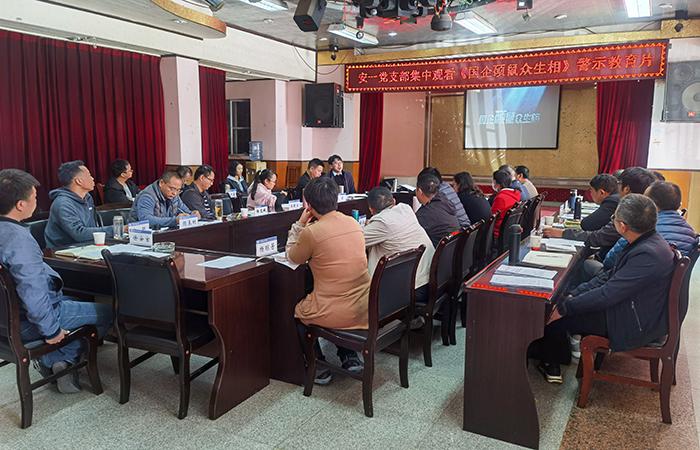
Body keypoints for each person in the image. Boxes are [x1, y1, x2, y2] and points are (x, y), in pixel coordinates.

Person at [535, 194, 675, 383]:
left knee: (556, 316)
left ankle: (551, 365)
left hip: (633, 323)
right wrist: (573, 295)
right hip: (634, 309)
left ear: (622, 226)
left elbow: (608, 294)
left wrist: (564, 307)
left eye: (614, 218)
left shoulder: (647, 253)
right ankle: (557, 355)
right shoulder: (646, 242)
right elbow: (608, 277)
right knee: (565, 301)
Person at [0, 169, 113, 393]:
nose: (37, 202)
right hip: (26, 321)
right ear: (21, 205)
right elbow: (33, 291)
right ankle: (61, 359)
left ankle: (56, 360)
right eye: (34, 197)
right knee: (110, 312)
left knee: (74, 299)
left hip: (6, 318)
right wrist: (51, 330)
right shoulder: (18, 239)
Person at [286, 177, 369, 384]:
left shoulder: (312, 232)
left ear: (309, 205)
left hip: (336, 311)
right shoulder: (353, 222)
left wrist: (299, 224)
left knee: (297, 312)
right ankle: (348, 356)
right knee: (336, 296)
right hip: (364, 305)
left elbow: (292, 257)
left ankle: (317, 364)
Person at [543, 167, 657, 259]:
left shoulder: (628, 211)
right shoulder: (648, 211)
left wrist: (563, 233)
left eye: (619, 183)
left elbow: (599, 234)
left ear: (626, 189)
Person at [364, 187, 435, 305]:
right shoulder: (406, 209)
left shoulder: (381, 223)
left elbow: (355, 241)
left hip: (414, 288)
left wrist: (369, 225)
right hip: (431, 279)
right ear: (394, 201)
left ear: (371, 209)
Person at [44, 160, 114, 249]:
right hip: (63, 250)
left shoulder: (87, 197)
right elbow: (79, 234)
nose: (92, 178)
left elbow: (92, 226)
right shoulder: (63, 204)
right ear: (79, 181)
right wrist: (116, 229)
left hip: (87, 246)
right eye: (89, 175)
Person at [129, 170, 198, 229]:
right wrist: (174, 220)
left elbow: (185, 210)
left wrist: (193, 214)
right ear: (161, 183)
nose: (174, 193)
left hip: (164, 232)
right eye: (172, 188)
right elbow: (146, 220)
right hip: (141, 234)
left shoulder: (174, 196)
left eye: (178, 190)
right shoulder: (147, 196)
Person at [414, 173, 460, 247]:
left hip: (440, 251)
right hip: (455, 247)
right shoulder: (444, 200)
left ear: (419, 191)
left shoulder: (424, 214)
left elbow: (413, 233)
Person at [490, 169, 522, 239]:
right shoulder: (516, 194)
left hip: (497, 234)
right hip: (508, 232)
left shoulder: (501, 198)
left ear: (497, 184)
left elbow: (491, 219)